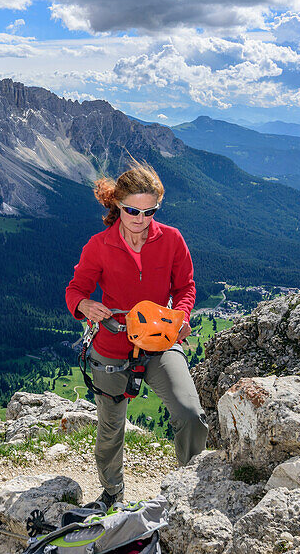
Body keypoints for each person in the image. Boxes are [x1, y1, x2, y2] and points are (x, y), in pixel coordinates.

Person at [65, 160, 209, 508]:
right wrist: (85, 306)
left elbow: (186, 286)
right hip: (113, 345)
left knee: (190, 414)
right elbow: (76, 289)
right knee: (111, 429)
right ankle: (112, 493)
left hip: (160, 341)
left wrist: (181, 316)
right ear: (117, 204)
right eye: (132, 210)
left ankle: (189, 490)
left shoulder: (171, 239)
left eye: (150, 211)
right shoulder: (99, 246)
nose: (141, 219)